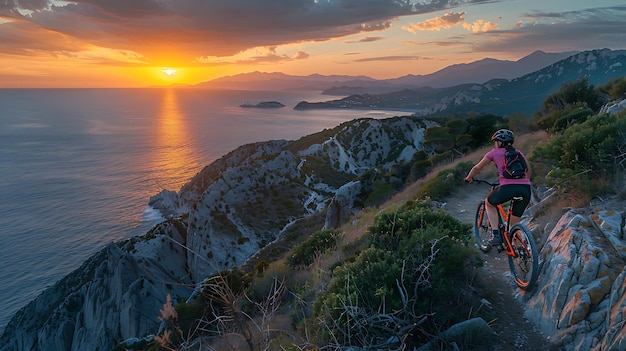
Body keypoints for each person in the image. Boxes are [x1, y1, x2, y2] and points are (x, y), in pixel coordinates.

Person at [464, 129, 532, 245]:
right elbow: (528, 171)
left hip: (507, 188)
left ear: (499, 142)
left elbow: (477, 168)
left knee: (489, 203)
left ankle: (496, 234)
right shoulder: (518, 152)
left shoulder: (494, 153)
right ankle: (521, 251)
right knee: (513, 224)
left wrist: (469, 177)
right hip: (525, 189)